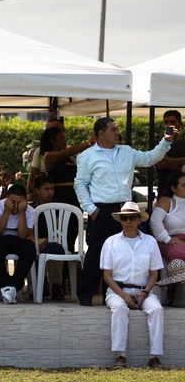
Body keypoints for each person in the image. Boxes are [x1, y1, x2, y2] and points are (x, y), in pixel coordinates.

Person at [74, 116, 174, 306]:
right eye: (113, 129)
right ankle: (86, 295)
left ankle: (110, 295)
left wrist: (165, 142)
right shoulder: (87, 156)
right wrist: (91, 209)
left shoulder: (126, 151)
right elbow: (80, 184)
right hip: (101, 209)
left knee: (122, 252)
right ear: (101, 133)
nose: (117, 132)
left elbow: (150, 158)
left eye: (117, 128)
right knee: (97, 252)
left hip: (126, 208)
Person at [101, 202, 164, 369]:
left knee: (157, 309)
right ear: (120, 221)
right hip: (118, 291)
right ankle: (120, 356)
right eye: (124, 218)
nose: (128, 221)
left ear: (139, 220)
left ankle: (155, 356)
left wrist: (144, 294)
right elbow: (107, 276)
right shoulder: (111, 242)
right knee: (119, 308)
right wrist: (124, 296)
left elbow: (154, 274)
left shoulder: (150, 242)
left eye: (132, 217)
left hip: (144, 290)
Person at [0, 184, 37, 304]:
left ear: (26, 200)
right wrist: (7, 211)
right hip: (0, 237)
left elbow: (23, 236)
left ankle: (13, 286)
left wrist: (22, 213)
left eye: (20, 202)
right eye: (12, 201)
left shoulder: (30, 210)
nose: (16, 206)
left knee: (29, 248)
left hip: (18, 238)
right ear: (7, 199)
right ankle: (4, 285)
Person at [40, 125, 94, 207]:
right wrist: (89, 142)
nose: (65, 140)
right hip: (61, 195)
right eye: (61, 138)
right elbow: (65, 153)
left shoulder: (70, 156)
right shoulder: (49, 156)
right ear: (52, 141)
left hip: (75, 195)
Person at [150, 172, 185, 265]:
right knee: (179, 253)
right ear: (173, 188)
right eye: (184, 185)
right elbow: (155, 220)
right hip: (170, 241)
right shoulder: (166, 201)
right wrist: (167, 239)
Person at [155, 110, 185, 191]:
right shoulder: (158, 143)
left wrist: (171, 163)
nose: (169, 125)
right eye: (166, 122)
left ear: (180, 124)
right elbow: (163, 163)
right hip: (165, 190)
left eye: (172, 122)